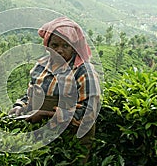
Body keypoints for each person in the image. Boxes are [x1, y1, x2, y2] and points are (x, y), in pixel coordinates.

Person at [9, 16, 101, 149]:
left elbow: (88, 111)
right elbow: (30, 94)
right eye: (54, 45)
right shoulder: (40, 66)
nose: (59, 50)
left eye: (65, 46)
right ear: (47, 46)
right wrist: (19, 106)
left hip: (71, 142)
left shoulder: (84, 71)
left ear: (74, 48)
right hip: (42, 138)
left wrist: (45, 115)